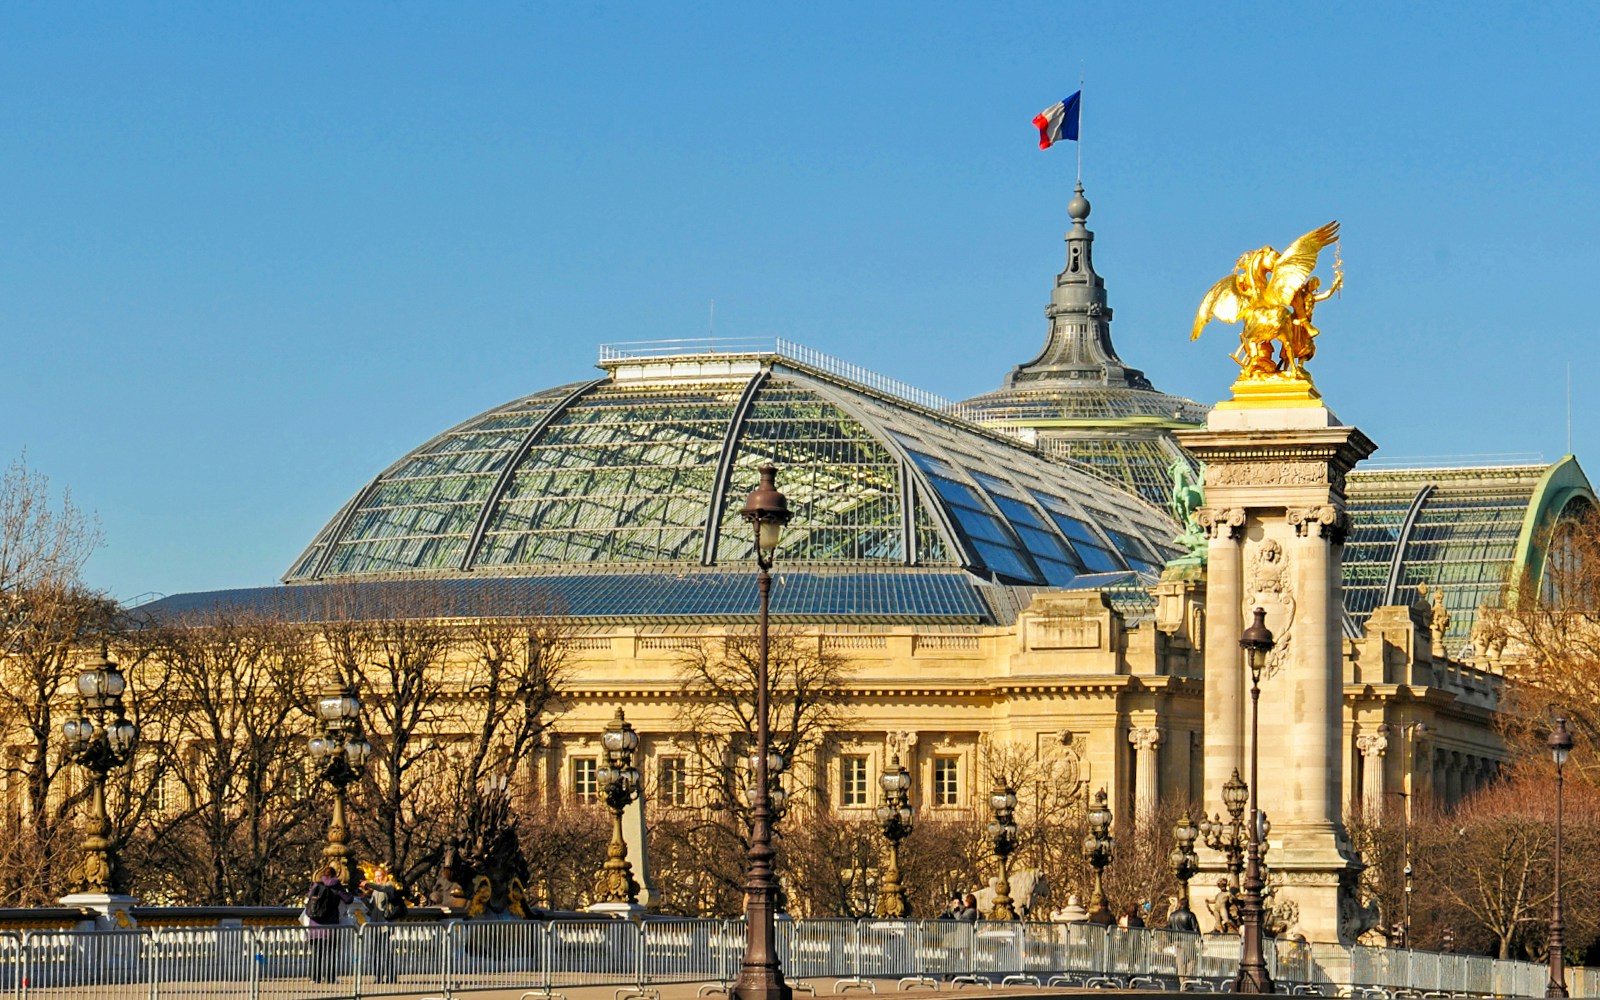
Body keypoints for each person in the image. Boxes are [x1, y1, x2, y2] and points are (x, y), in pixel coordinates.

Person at [305, 866, 354, 984]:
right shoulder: (336, 886)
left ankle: (314, 978)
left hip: (315, 923)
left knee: (316, 951)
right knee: (330, 952)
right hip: (330, 924)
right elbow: (348, 900)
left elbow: (308, 896)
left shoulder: (316, 884)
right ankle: (329, 977)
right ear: (335, 875)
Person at [360, 865, 404, 984]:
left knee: (385, 951)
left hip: (385, 924)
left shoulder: (389, 886)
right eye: (376, 877)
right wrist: (363, 897)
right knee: (375, 951)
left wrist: (370, 884)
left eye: (380, 876)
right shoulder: (375, 890)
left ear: (385, 877)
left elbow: (386, 891)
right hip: (375, 922)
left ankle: (390, 976)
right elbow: (372, 908)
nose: (377, 879)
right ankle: (378, 976)